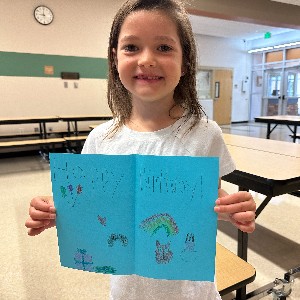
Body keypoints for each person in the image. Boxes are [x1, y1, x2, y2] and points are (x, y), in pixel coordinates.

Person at [25, 0, 256, 299]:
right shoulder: (100, 139)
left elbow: (208, 202)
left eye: (163, 47)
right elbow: (92, 208)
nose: (146, 59)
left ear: (185, 62)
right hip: (127, 291)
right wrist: (56, 210)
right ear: (115, 58)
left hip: (191, 292)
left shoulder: (204, 134)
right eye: (132, 47)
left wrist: (233, 210)